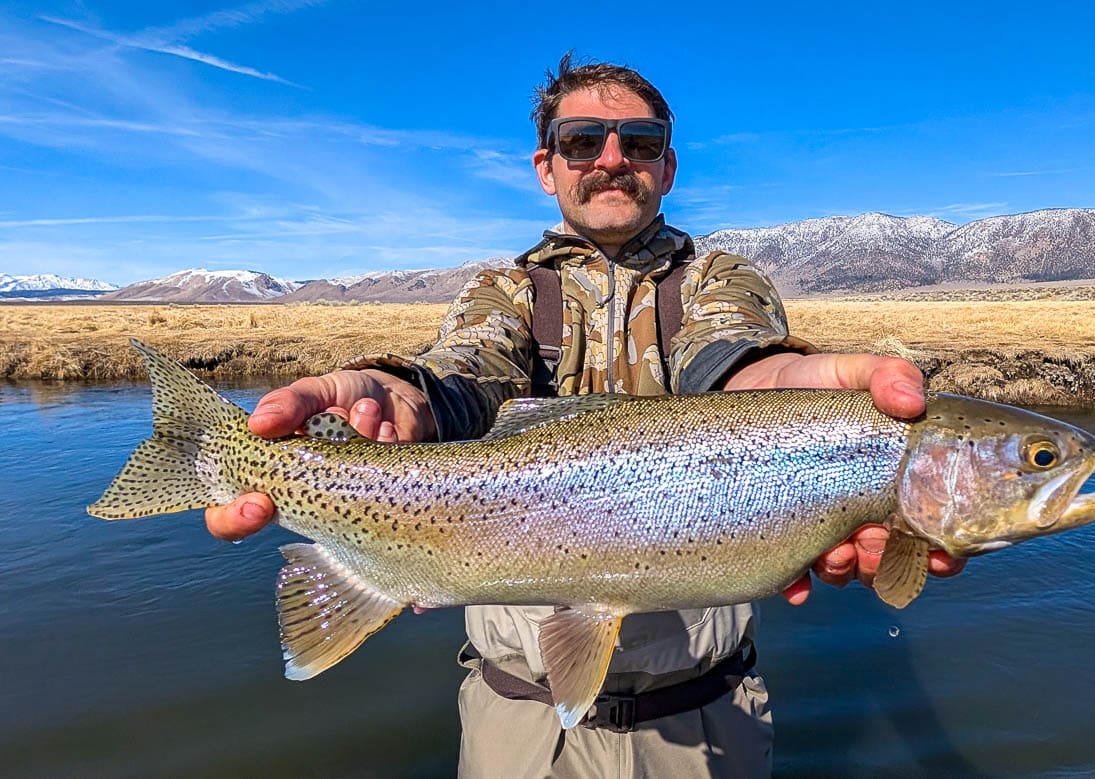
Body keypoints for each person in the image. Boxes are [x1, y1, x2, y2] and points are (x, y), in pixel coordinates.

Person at [206, 54, 965, 777]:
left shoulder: (719, 282)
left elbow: (733, 359)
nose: (611, 157)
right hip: (519, 715)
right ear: (547, 167)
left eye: (639, 141)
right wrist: (401, 395)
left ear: (667, 166)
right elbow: (466, 375)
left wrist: (784, 385)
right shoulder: (502, 292)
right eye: (581, 141)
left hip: (705, 715)